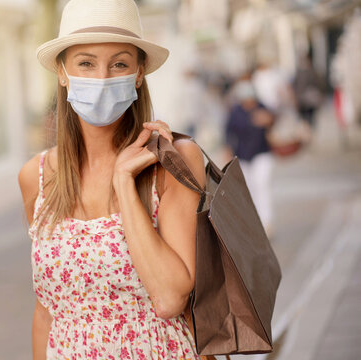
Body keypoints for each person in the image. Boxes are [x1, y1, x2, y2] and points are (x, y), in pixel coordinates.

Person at [18, 0, 205, 359]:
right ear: (62, 71)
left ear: (138, 73)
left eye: (119, 63)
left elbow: (170, 298)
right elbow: (46, 312)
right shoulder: (36, 177)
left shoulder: (173, 162)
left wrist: (124, 181)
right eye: (85, 63)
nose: (102, 78)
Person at [225, 80, 274, 236]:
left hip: (262, 153)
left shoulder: (262, 108)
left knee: (263, 186)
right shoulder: (236, 112)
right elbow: (228, 132)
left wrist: (269, 120)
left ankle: (267, 223)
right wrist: (227, 151)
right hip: (242, 155)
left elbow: (274, 120)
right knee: (249, 190)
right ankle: (253, 224)